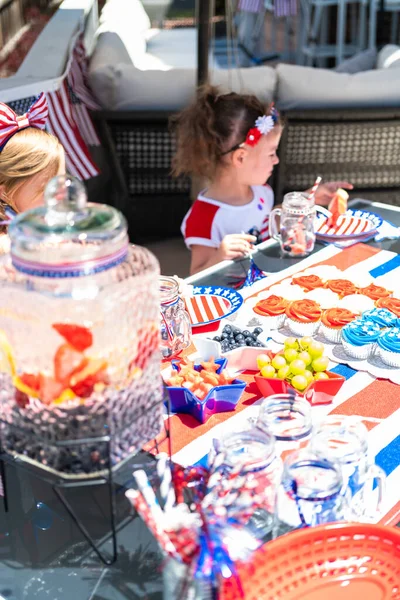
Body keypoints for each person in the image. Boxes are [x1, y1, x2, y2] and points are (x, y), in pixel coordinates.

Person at [172, 86, 353, 275]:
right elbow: (196, 275)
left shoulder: (261, 191)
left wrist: (306, 198)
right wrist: (220, 256)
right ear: (240, 158)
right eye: (271, 153)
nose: (276, 160)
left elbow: (268, 221)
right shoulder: (203, 217)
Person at [0, 93, 65, 236]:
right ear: (4, 193)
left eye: (61, 184)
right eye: (46, 190)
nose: (61, 196)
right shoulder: (9, 244)